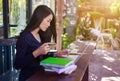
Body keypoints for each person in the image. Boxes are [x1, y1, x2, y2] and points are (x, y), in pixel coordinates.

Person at [14, 5, 69, 81]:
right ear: (40, 18)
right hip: (29, 78)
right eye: (48, 21)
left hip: (41, 75)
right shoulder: (24, 37)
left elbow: (41, 58)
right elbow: (17, 64)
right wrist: (37, 52)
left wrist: (55, 54)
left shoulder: (40, 35)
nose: (49, 25)